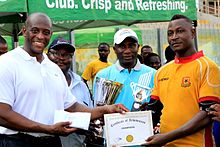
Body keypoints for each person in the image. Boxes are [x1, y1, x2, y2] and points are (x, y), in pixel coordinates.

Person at [0, 12, 128, 147]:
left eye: (46, 32)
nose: (40, 36)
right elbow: (2, 114)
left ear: (50, 34)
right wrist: (47, 128)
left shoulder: (52, 68)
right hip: (15, 141)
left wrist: (106, 109)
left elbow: (72, 107)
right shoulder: (6, 63)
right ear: (24, 31)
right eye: (35, 31)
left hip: (51, 141)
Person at [144, 14, 220, 147]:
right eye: (170, 33)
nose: (174, 37)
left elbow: (208, 114)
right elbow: (154, 110)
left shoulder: (207, 67)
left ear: (193, 33)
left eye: (180, 31)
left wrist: (166, 137)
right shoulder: (162, 71)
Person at [94, 28, 156, 111]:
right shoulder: (103, 76)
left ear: (138, 47)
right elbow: (98, 110)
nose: (127, 51)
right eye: (122, 46)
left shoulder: (153, 74)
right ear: (114, 49)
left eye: (131, 46)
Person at [47, 37, 94, 147]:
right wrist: (79, 123)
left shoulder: (80, 83)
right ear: (48, 55)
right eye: (56, 53)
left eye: (67, 55)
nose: (61, 58)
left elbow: (89, 112)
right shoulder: (40, 81)